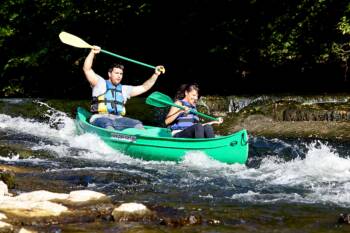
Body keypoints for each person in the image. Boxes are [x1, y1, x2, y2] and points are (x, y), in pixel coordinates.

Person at [83, 45, 165, 130]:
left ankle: (140, 140)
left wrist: (155, 74)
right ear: (109, 74)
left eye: (121, 74)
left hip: (118, 119)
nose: (119, 76)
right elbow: (87, 69)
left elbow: (144, 87)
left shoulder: (124, 89)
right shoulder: (100, 83)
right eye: (116, 73)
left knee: (137, 124)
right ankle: (112, 137)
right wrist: (92, 53)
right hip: (99, 118)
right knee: (108, 124)